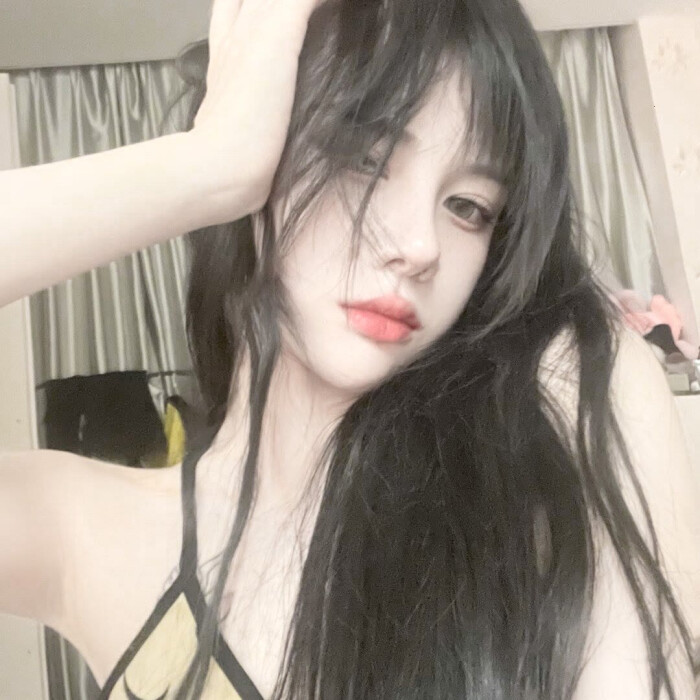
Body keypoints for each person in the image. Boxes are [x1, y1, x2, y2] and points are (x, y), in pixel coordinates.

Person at [0, 0, 699, 699]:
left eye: (469, 207)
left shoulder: (565, 422)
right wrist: (208, 167)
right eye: (365, 159)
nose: (421, 246)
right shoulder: (90, 532)